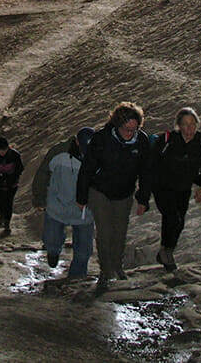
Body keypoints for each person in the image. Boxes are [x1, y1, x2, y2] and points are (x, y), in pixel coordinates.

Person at [76, 102, 154, 289]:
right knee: (105, 232)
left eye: (133, 130)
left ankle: (117, 266)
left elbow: (146, 172)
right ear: (117, 126)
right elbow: (87, 169)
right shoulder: (101, 139)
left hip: (124, 192)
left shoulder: (141, 141)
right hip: (100, 191)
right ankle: (105, 270)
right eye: (126, 129)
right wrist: (81, 196)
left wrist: (143, 198)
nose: (129, 133)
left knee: (119, 231)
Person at [150, 108, 201, 271]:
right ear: (179, 126)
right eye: (185, 125)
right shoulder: (168, 140)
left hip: (183, 188)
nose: (189, 129)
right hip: (163, 187)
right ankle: (166, 253)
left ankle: (166, 250)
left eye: (192, 124)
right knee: (172, 217)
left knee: (179, 222)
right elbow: (151, 163)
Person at [32, 128, 96, 278]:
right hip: (58, 206)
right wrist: (39, 197)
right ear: (77, 142)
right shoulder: (59, 152)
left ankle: (76, 280)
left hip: (84, 211)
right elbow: (43, 173)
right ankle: (53, 251)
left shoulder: (99, 154)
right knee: (51, 240)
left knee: (83, 251)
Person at [0, 137, 24, 232]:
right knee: (0, 200)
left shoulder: (15, 155)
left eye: (4, 150)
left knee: (9, 202)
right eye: (0, 150)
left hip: (12, 183)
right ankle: (1, 215)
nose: (2, 152)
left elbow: (20, 168)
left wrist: (12, 177)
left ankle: (7, 222)